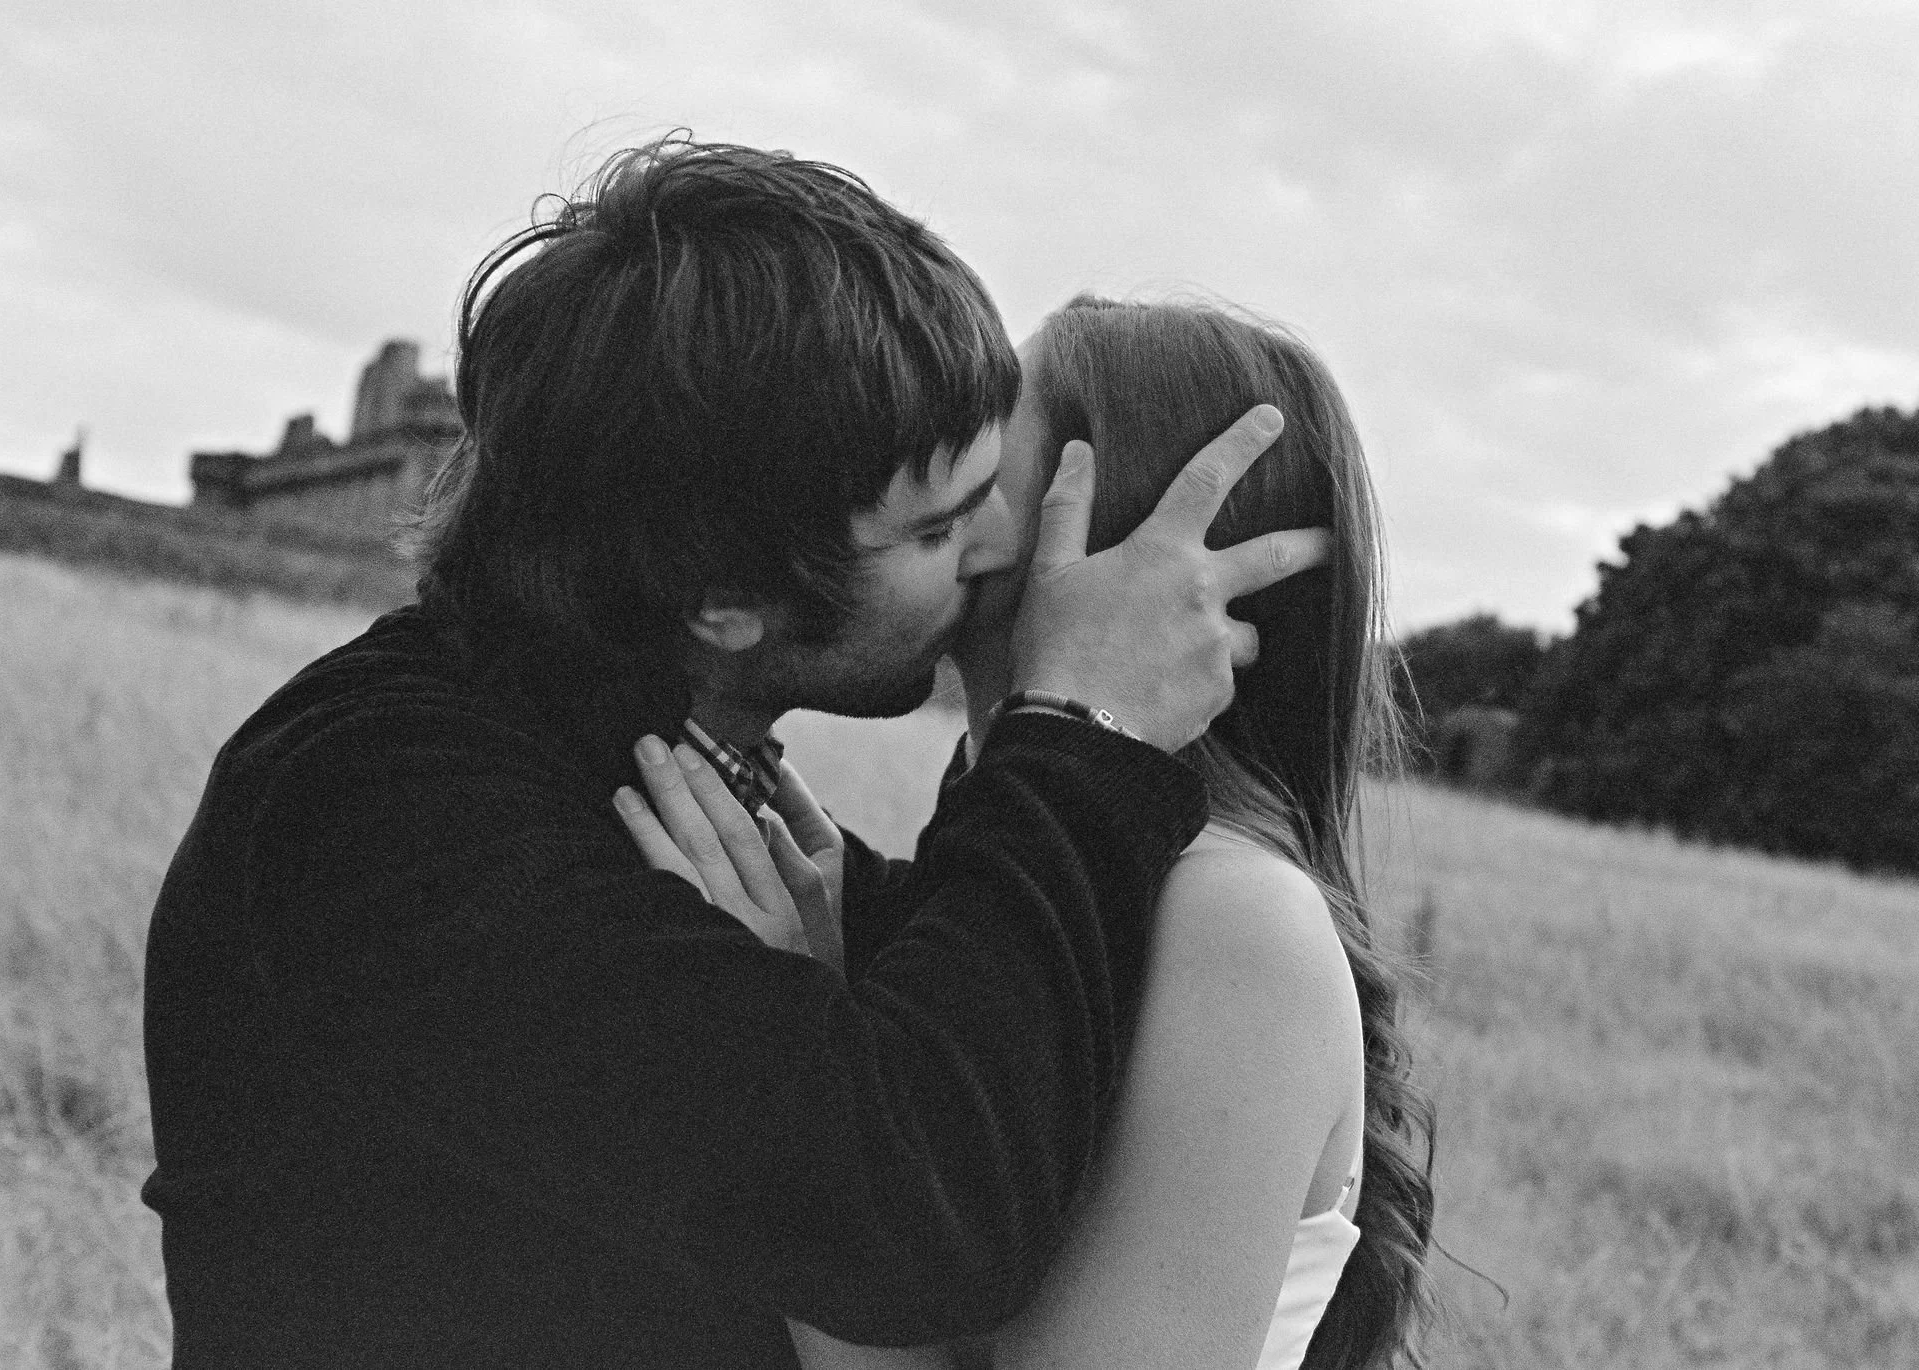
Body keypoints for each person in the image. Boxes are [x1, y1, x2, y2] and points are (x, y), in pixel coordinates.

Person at [140, 139, 1331, 1367]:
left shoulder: (641, 761)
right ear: (725, 601)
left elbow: (968, 1011)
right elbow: (915, 1232)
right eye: (934, 526)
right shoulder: (390, 813)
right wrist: (1085, 734)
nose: (993, 554)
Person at [625, 296, 1435, 1368]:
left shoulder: (1229, 916)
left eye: (987, 420)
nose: (929, 442)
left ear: (1089, 516)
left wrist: (773, 1055)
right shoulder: (1029, 847)